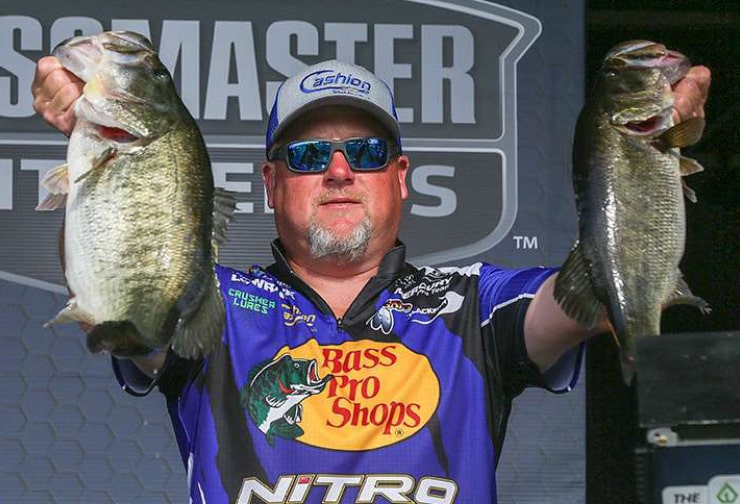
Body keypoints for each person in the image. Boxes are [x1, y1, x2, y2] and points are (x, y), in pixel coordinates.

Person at [32, 54, 711, 503]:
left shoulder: (475, 303)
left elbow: (598, 294)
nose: (338, 170)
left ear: (400, 176)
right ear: (271, 182)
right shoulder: (210, 302)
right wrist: (102, 160)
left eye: (365, 151)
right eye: (307, 154)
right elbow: (122, 311)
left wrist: (642, 155)